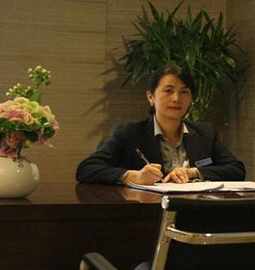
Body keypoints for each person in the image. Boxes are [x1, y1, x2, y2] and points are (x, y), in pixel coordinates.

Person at [76, 65, 245, 185]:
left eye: (184, 92)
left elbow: (236, 169)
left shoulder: (205, 132)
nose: (176, 98)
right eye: (168, 91)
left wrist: (192, 172)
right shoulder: (129, 133)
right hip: (147, 213)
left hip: (197, 211)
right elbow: (86, 169)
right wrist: (134, 176)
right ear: (151, 97)